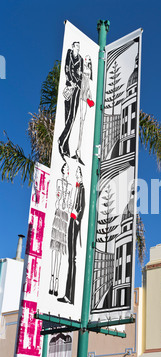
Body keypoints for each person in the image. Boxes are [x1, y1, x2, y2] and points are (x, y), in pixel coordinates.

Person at [58, 166, 85, 304]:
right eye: (76, 172)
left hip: (74, 223)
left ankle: (70, 295)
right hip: (70, 221)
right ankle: (67, 294)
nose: (76, 174)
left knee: (72, 259)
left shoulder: (82, 188)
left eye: (78, 172)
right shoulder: (75, 188)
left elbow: (82, 206)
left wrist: (77, 219)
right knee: (70, 259)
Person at [49, 163, 72, 296]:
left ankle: (57, 281)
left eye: (67, 170)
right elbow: (57, 199)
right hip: (58, 214)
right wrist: (61, 197)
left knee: (60, 250)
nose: (66, 171)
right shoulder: (59, 182)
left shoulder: (70, 186)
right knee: (54, 249)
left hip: (64, 216)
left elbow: (68, 204)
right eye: (64, 169)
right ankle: (52, 278)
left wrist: (66, 203)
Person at [58, 42, 83, 160]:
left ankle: (62, 140)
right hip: (69, 87)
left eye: (78, 47)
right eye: (76, 46)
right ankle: (65, 146)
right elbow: (66, 68)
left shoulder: (81, 59)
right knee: (67, 116)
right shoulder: (69, 53)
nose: (77, 48)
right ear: (73, 47)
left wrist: (77, 83)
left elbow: (81, 74)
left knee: (72, 117)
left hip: (77, 89)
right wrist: (71, 80)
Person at [72, 55, 94, 166]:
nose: (87, 60)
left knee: (82, 122)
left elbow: (88, 85)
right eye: (86, 58)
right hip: (80, 95)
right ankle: (77, 150)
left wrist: (90, 97)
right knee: (79, 121)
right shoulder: (81, 68)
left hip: (84, 97)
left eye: (88, 59)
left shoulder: (88, 71)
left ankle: (78, 151)